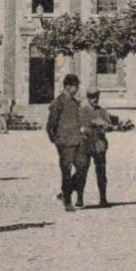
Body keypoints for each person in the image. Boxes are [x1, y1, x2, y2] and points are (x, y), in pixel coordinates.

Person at [45, 74, 86, 212]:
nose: (77, 88)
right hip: (64, 143)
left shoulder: (75, 102)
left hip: (77, 141)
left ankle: (64, 192)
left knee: (82, 167)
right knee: (66, 172)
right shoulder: (58, 102)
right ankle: (68, 202)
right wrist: (57, 140)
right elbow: (50, 125)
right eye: (76, 86)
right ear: (68, 86)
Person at [78, 88, 112, 207]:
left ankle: (103, 198)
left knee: (101, 173)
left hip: (99, 145)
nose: (95, 100)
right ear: (88, 98)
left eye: (97, 97)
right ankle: (79, 198)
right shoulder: (82, 111)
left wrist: (104, 124)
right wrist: (82, 130)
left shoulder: (102, 111)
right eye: (92, 97)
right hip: (84, 145)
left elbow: (110, 126)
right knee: (82, 172)